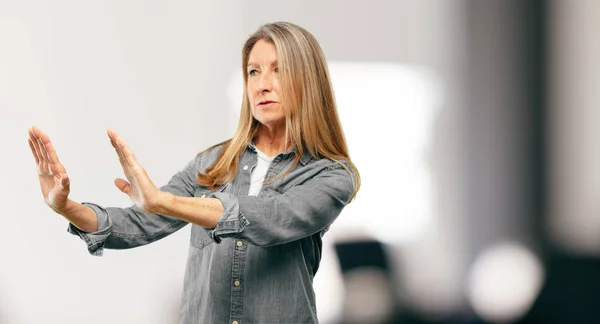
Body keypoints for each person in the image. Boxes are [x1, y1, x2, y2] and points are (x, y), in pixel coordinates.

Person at [28, 21, 360, 324]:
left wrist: (162, 201)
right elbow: (140, 223)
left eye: (278, 70)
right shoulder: (212, 163)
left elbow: (272, 217)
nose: (262, 85)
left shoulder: (331, 175)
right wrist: (66, 207)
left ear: (308, 79)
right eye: (253, 72)